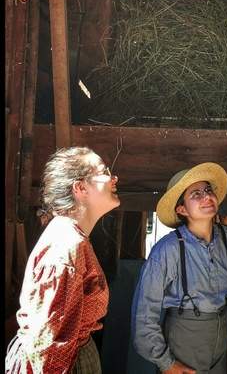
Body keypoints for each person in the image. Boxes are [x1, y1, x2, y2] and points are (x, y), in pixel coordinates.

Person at [5, 146, 120, 373]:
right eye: (104, 172)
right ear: (80, 188)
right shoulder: (67, 245)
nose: (113, 178)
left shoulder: (71, 237)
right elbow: (50, 344)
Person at [131, 162, 227, 374]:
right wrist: (166, 363)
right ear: (182, 209)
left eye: (208, 190)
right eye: (196, 194)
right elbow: (144, 314)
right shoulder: (167, 249)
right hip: (185, 340)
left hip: (223, 337)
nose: (206, 196)